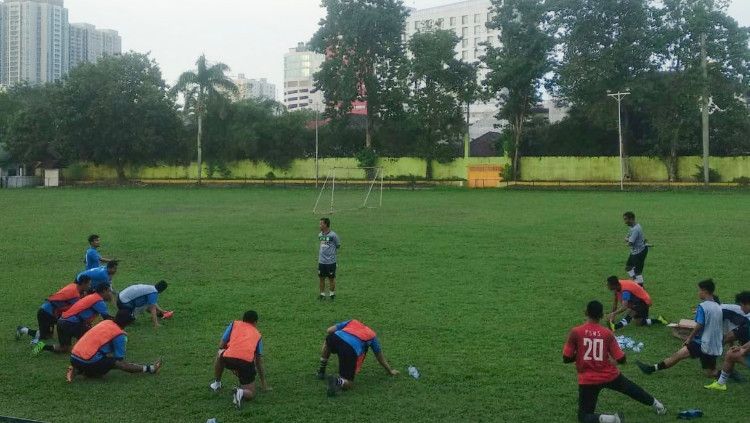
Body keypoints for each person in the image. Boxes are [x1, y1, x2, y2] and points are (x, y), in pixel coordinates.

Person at [563, 300, 667, 423]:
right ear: (601, 315)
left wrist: (580, 354)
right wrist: (612, 360)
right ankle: (658, 405)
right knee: (631, 389)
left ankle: (612, 419)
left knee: (584, 416)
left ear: (586, 313)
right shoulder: (607, 333)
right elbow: (621, 358)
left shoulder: (576, 332)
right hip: (609, 375)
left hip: (588, 379)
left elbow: (566, 358)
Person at [636, 279, 723, 377]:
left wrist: (689, 338)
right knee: (710, 372)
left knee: (679, 355)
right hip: (713, 343)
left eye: (699, 290)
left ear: (705, 291)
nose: (698, 293)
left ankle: (651, 369)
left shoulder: (703, 306)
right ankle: (651, 369)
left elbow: (699, 325)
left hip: (703, 342)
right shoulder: (718, 306)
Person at [66, 309, 162, 382]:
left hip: (74, 356)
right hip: (87, 360)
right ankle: (150, 368)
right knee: (116, 363)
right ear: (128, 323)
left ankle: (78, 369)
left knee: (100, 365)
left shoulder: (106, 322)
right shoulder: (119, 335)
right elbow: (120, 359)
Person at [316, 319, 398, 397]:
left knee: (328, 340)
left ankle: (321, 371)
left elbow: (329, 330)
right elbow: (379, 357)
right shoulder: (372, 335)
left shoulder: (353, 322)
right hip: (350, 348)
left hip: (335, 337)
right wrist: (390, 371)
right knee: (349, 383)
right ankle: (337, 381)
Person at [208, 310, 269, 408]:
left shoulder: (234, 325)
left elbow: (221, 345)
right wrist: (263, 383)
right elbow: (258, 362)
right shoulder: (257, 335)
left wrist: (232, 365)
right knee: (250, 393)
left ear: (243, 319)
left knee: (220, 353)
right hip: (245, 363)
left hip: (228, 357)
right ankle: (240, 392)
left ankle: (217, 383)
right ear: (255, 322)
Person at [32, 285, 113, 355]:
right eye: (109, 292)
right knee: (92, 339)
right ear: (104, 291)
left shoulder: (91, 296)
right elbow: (107, 319)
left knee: (64, 348)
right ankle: (102, 354)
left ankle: (41, 346)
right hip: (72, 323)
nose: (111, 294)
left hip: (62, 321)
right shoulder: (99, 300)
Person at [16, 276, 92, 344]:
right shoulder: (75, 294)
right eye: (88, 284)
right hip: (46, 313)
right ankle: (32, 344)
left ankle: (25, 331)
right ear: (83, 284)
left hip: (47, 311)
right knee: (46, 336)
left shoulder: (73, 286)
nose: (89, 286)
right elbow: (75, 309)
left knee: (48, 334)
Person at [704, 291, 750, 391]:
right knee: (730, 354)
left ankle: (711, 367)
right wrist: (741, 348)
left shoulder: (719, 312)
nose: (741, 308)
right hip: (744, 328)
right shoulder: (722, 310)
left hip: (744, 327)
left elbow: (727, 336)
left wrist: (743, 350)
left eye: (742, 305)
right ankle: (721, 383)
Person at [318, 218, 341, 300]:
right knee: (321, 278)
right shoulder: (320, 235)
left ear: (326, 225)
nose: (319, 225)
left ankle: (331, 294)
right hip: (321, 261)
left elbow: (338, 245)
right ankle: (322, 294)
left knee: (331, 278)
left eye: (321, 224)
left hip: (331, 262)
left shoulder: (333, 235)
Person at [623, 212, 648, 286]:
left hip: (639, 252)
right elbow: (628, 237)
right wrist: (628, 239)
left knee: (638, 271)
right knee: (628, 267)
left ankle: (641, 287)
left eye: (626, 219)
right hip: (634, 251)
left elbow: (630, 242)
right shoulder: (633, 227)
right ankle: (635, 280)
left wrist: (627, 241)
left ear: (631, 219)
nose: (625, 222)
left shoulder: (636, 229)